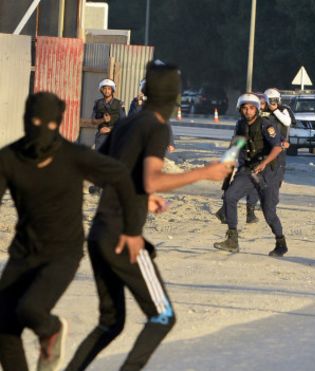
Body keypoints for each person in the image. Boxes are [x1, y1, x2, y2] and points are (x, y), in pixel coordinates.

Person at [66, 61, 232, 370]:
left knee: (110, 322)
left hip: (99, 233)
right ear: (173, 97)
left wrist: (143, 195)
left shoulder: (129, 123)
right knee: (162, 316)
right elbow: (151, 178)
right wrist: (203, 172)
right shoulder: (156, 126)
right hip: (123, 236)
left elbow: (98, 172)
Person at [0, 92, 144, 371]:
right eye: (35, 121)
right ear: (26, 120)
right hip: (23, 252)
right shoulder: (9, 158)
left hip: (62, 253)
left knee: (30, 309)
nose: (42, 128)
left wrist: (132, 229)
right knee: (3, 326)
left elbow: (120, 177)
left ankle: (51, 329)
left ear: (59, 123)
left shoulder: (73, 156)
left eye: (50, 124)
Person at [214, 93, 287, 257]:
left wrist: (264, 163)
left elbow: (277, 147)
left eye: (251, 108)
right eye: (245, 108)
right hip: (248, 170)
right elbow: (235, 146)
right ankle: (232, 239)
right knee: (230, 196)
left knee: (269, 213)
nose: (248, 111)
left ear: (257, 110)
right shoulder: (240, 125)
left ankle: (280, 242)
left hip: (267, 172)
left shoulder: (266, 125)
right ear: (240, 110)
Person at [129, 79, 175, 153]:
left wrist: (170, 142)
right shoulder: (136, 102)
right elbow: (131, 117)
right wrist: (138, 104)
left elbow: (166, 123)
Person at [92, 79, 125, 150]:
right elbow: (93, 121)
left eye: (109, 89)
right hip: (101, 137)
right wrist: (103, 120)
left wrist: (110, 130)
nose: (107, 91)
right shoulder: (97, 103)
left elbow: (123, 122)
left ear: (112, 90)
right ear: (101, 90)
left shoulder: (119, 104)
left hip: (114, 136)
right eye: (105, 89)